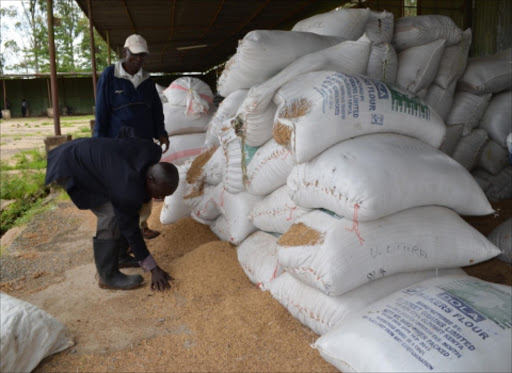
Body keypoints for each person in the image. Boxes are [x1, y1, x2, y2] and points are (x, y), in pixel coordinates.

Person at [45, 133, 179, 291]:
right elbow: (131, 229)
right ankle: (107, 276)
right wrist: (153, 268)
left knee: (126, 207)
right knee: (111, 214)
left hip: (93, 160)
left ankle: (121, 256)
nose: (160, 197)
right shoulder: (127, 189)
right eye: (160, 193)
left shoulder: (152, 152)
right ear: (150, 179)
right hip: (69, 164)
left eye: (165, 195)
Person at [94, 34, 168, 240]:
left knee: (145, 184)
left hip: (143, 142)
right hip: (118, 142)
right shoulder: (110, 75)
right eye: (134, 55)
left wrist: (160, 132)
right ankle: (124, 230)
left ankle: (142, 225)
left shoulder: (147, 79)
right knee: (123, 185)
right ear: (125, 52)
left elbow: (156, 109)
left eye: (142, 56)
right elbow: (101, 110)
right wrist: (99, 140)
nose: (138, 60)